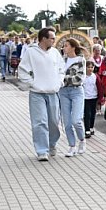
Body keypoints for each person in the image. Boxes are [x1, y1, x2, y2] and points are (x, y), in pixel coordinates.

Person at [17, 27, 64, 161]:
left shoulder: (55, 53)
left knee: (54, 122)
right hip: (37, 94)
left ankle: (52, 144)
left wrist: (59, 82)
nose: (54, 40)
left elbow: (62, 69)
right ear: (44, 39)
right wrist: (32, 83)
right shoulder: (31, 52)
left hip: (53, 93)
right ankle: (42, 150)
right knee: (40, 122)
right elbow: (22, 70)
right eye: (52, 38)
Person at [59, 38, 87, 157]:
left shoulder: (81, 60)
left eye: (66, 46)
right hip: (63, 92)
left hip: (76, 91)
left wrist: (62, 79)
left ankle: (82, 139)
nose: (64, 48)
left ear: (73, 47)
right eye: (64, 46)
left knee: (76, 120)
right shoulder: (61, 60)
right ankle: (71, 146)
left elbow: (79, 78)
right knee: (67, 122)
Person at [83, 60, 99, 139]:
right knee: (87, 114)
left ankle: (91, 127)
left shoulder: (95, 76)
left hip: (94, 97)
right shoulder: (82, 76)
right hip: (85, 98)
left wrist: (101, 97)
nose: (90, 69)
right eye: (88, 67)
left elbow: (100, 86)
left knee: (93, 113)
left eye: (91, 67)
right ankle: (87, 129)